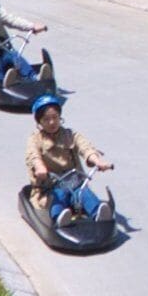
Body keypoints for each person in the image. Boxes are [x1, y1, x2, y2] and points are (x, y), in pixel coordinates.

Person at [25, 93, 111, 225]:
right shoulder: (35, 139)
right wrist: (39, 167)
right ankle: (59, 217)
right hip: (49, 185)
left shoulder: (70, 135)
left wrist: (97, 161)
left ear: (60, 117)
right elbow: (33, 155)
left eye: (55, 117)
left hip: (73, 181)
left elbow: (85, 147)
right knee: (60, 195)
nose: (52, 122)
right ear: (39, 122)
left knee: (83, 192)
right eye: (46, 119)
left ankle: (98, 213)